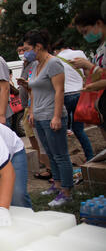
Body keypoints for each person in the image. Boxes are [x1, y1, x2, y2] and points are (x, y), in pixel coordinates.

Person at [19, 29, 73, 207]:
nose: (25, 52)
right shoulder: (35, 65)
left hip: (52, 115)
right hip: (39, 116)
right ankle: (56, 185)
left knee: (60, 155)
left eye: (27, 48)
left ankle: (66, 191)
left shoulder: (54, 63)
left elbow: (59, 90)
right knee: (49, 153)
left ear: (38, 46)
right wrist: (32, 112)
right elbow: (33, 91)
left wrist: (57, 116)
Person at [52, 38, 95, 161]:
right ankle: (90, 157)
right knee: (79, 129)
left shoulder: (55, 59)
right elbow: (88, 73)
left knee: (61, 131)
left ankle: (64, 159)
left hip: (64, 96)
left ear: (56, 50)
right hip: (80, 95)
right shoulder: (80, 53)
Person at [17, 41, 52, 180]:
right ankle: (45, 164)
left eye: (24, 49)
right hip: (30, 106)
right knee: (33, 136)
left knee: (47, 144)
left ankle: (50, 168)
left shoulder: (42, 64)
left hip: (40, 107)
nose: (22, 53)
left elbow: (53, 89)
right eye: (20, 50)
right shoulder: (27, 64)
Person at [73, 9, 106, 140]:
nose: (85, 36)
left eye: (85, 32)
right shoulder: (99, 49)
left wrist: (89, 66)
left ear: (98, 23)